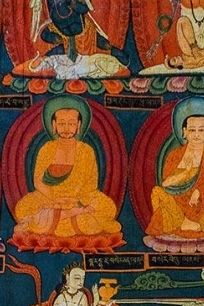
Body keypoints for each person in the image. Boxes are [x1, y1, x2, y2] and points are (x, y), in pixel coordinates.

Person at [13, 103, 122, 245]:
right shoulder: (47, 149)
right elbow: (38, 181)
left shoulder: (86, 150)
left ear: (79, 125)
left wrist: (76, 200)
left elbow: (90, 185)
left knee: (108, 207)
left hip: (79, 199)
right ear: (54, 125)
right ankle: (72, 214)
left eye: (71, 124)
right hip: (50, 198)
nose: (66, 129)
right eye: (61, 124)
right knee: (22, 208)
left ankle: (55, 218)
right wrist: (55, 198)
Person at [147, 112, 204, 246]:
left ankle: (197, 222)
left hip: (202, 204)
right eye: (192, 130)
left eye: (201, 130)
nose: (196, 134)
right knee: (157, 192)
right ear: (184, 132)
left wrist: (199, 191)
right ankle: (182, 221)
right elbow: (165, 184)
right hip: (178, 204)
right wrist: (185, 173)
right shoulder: (175, 155)